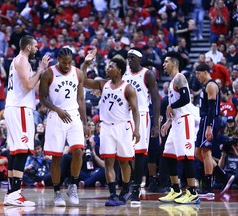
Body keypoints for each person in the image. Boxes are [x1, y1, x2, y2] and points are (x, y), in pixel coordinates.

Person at [82, 55, 140, 206]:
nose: (108, 68)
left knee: (124, 162)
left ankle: (126, 189)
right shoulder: (103, 83)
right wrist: (85, 64)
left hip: (123, 126)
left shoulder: (128, 88)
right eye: (108, 66)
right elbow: (83, 81)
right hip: (106, 126)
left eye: (111, 67)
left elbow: (135, 110)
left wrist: (137, 130)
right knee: (109, 162)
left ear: (119, 70)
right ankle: (113, 194)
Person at [39, 47, 90, 207]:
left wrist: (85, 122)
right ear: (58, 59)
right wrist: (57, 109)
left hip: (73, 115)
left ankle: (73, 185)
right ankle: (56, 191)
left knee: (78, 151)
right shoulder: (48, 73)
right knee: (57, 157)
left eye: (69, 62)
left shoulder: (78, 73)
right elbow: (42, 99)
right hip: (56, 116)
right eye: (64, 62)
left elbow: (81, 99)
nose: (67, 65)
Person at [3, 35, 50, 207]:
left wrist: (42, 73)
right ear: (28, 47)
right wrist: (40, 69)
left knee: (16, 150)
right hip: (20, 109)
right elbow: (28, 85)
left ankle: (11, 193)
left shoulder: (20, 61)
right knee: (22, 150)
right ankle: (15, 194)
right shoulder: (22, 60)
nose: (37, 49)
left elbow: (34, 87)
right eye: (36, 46)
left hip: (17, 107)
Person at [159, 52, 200, 204]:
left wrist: (171, 106)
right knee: (168, 154)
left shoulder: (180, 77)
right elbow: (173, 108)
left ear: (174, 64)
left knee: (186, 157)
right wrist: (168, 122)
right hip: (176, 122)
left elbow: (186, 99)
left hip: (185, 121)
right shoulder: (171, 82)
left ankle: (192, 192)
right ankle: (176, 190)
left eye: (166, 62)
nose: (163, 64)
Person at [122, 47, 160, 202]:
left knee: (139, 153)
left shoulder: (147, 74)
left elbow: (156, 99)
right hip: (125, 115)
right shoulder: (123, 73)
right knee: (125, 152)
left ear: (139, 59)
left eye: (132, 57)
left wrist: (156, 124)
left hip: (142, 115)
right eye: (128, 57)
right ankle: (127, 185)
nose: (129, 60)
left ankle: (136, 187)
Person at [195, 63, 234, 196]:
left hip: (209, 120)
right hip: (205, 120)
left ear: (205, 72)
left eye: (198, 73)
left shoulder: (211, 85)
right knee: (198, 153)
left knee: (206, 153)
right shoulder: (205, 86)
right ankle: (224, 176)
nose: (197, 76)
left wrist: (209, 127)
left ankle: (208, 188)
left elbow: (212, 109)